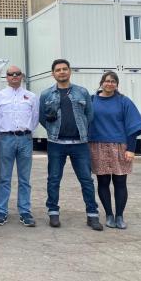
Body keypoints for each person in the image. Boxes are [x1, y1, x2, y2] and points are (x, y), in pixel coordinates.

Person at [39, 59, 103, 231]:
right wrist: (54, 130)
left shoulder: (82, 92)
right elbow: (42, 118)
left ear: (70, 71)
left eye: (64, 69)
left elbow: (89, 115)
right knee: (53, 180)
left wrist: (80, 129)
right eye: (58, 70)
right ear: (53, 74)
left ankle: (92, 215)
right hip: (56, 144)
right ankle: (53, 212)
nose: (62, 72)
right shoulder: (46, 95)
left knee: (86, 180)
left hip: (79, 144)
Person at [89, 71, 141, 229]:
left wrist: (131, 149)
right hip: (97, 145)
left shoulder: (124, 101)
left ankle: (120, 216)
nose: (110, 84)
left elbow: (134, 126)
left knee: (120, 182)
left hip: (119, 147)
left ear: (117, 84)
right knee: (103, 181)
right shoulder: (91, 100)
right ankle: (109, 214)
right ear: (101, 82)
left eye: (113, 81)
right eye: (107, 81)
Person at [0, 65, 39, 227]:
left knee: (24, 178)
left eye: (17, 74)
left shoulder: (31, 96)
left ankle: (25, 211)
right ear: (7, 77)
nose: (14, 76)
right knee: (4, 177)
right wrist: (2, 135)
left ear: (22, 76)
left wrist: (25, 131)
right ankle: (1, 211)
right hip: (6, 139)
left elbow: (35, 118)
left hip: (25, 139)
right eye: (11, 74)